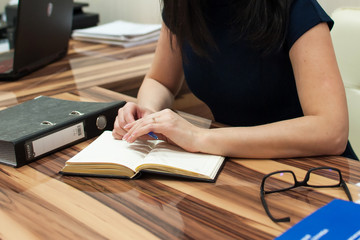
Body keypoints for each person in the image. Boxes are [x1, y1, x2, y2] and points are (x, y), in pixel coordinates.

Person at [112, 0, 358, 160]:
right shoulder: (183, 6)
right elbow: (160, 81)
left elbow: (331, 131)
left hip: (313, 174)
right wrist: (148, 115)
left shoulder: (294, 6)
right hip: (234, 166)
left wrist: (200, 138)